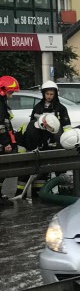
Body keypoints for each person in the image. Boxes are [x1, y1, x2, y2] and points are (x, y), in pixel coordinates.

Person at [0, 75, 17, 206]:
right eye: (10, 92)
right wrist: (6, 143)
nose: (11, 95)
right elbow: (1, 126)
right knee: (3, 169)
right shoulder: (0, 105)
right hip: (2, 142)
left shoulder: (2, 104)